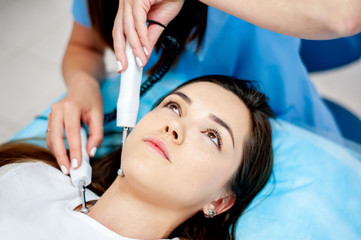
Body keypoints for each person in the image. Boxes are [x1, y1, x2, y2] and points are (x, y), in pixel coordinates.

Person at [47, 0, 361, 172]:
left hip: (285, 126)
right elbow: (82, 47)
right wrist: (82, 82)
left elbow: (344, 14)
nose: (173, 129)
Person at [0, 75, 274, 240]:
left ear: (219, 200)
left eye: (213, 135)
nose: (174, 127)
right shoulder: (28, 178)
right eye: (174, 106)